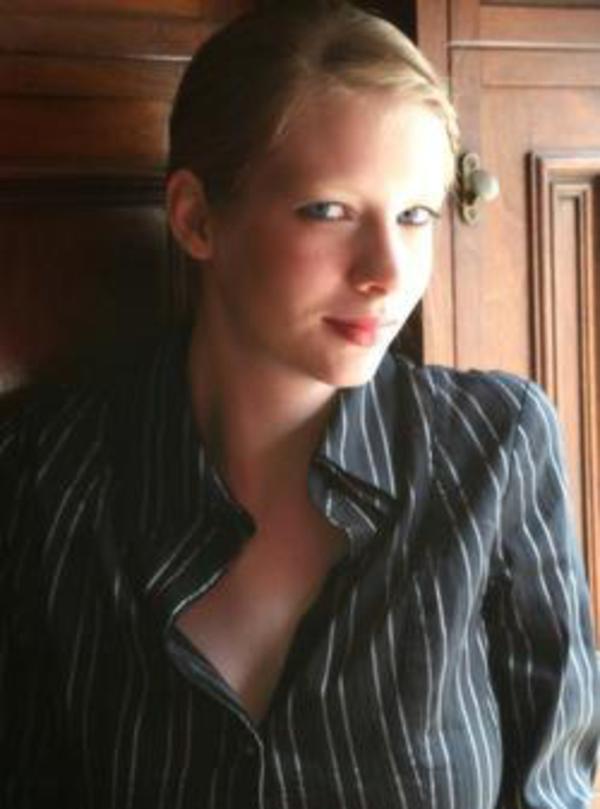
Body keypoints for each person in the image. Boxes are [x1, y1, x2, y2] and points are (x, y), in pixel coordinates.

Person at [1, 2, 598, 807]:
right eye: (329, 210)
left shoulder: (496, 445)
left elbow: (553, 787)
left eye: (415, 215)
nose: (388, 271)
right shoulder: (47, 472)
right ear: (196, 217)